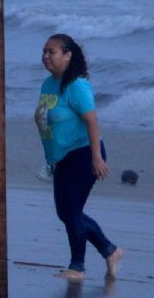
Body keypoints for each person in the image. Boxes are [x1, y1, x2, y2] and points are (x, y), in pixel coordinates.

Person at [35, 33, 123, 281]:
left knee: (71, 210)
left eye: (51, 52)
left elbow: (93, 123)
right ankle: (110, 250)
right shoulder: (47, 84)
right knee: (66, 213)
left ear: (67, 55)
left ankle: (77, 267)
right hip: (62, 157)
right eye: (44, 51)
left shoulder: (76, 86)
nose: (46, 56)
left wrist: (97, 158)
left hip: (84, 153)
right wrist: (51, 158)